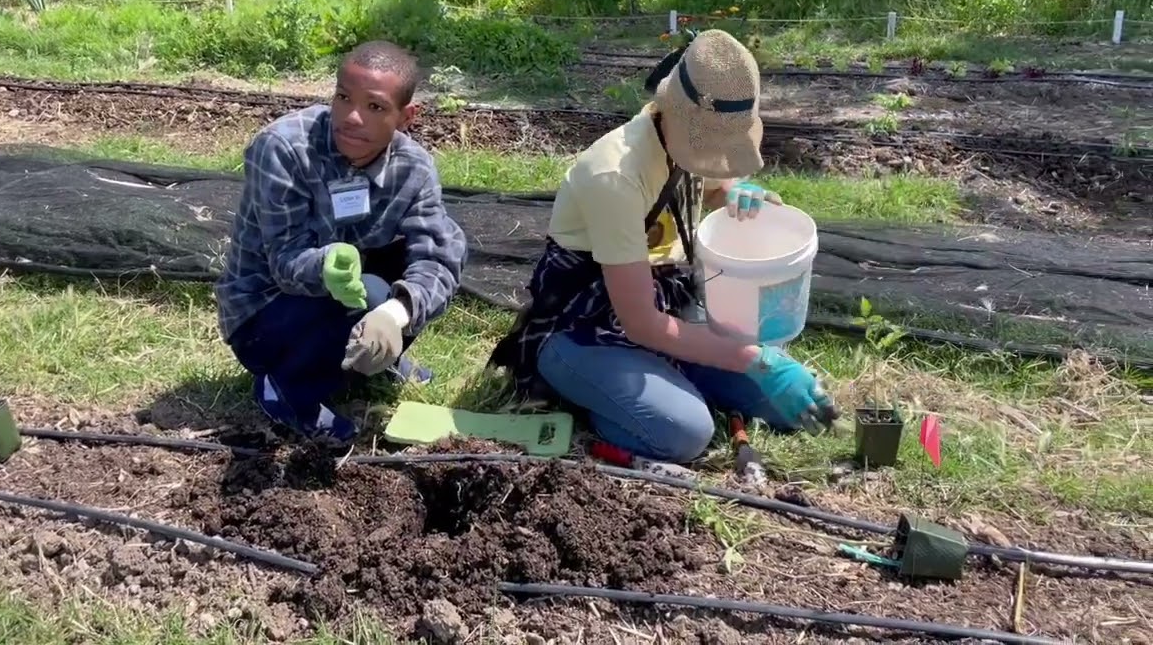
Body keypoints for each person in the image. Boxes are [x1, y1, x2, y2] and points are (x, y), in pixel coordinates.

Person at [489, 29, 835, 464]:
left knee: (776, 405)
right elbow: (642, 325)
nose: (717, 156)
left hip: (665, 302)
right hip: (584, 327)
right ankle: (587, 394)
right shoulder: (614, 176)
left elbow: (715, 181)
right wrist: (756, 360)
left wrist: (736, 192)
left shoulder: (677, 135)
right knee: (685, 432)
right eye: (712, 144)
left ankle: (668, 380)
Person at [215, 40, 467, 446]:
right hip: (262, 313)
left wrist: (396, 315)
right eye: (343, 98)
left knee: (420, 262)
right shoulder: (283, 148)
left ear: (406, 117)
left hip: (341, 297)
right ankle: (286, 389)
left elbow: (438, 256)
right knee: (371, 292)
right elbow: (284, 261)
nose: (352, 118)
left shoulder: (414, 168)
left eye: (375, 107)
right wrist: (326, 266)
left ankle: (377, 355)